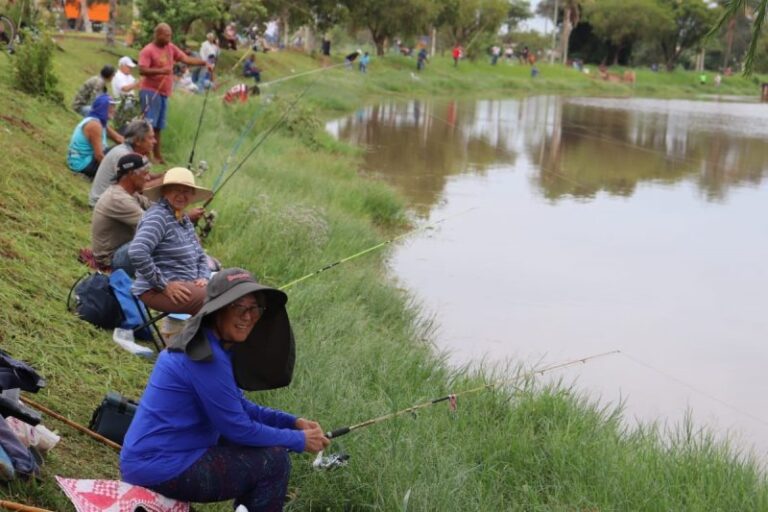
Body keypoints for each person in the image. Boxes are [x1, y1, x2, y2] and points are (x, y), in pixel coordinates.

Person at [120, 267, 330, 510]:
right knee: (274, 463)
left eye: (254, 308)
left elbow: (239, 406)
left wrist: (293, 422)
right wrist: (298, 440)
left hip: (156, 459)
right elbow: (238, 428)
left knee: (266, 450)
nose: (248, 316)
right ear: (217, 310)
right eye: (239, 307)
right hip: (159, 467)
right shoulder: (205, 358)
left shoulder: (207, 344)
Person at [129, 167, 212, 315]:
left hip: (189, 283)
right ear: (165, 191)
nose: (181, 195)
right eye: (176, 190)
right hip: (155, 290)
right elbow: (137, 251)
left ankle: (183, 333)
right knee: (219, 299)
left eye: (186, 191)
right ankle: (193, 337)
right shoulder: (158, 217)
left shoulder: (183, 217)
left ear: (192, 195)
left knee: (234, 284)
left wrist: (203, 276)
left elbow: (199, 254)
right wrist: (164, 285)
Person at [139, 23, 211, 163]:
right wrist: (161, 71)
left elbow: (186, 59)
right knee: (148, 126)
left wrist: (204, 63)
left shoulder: (170, 47)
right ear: (158, 34)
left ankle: (158, 156)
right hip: (150, 91)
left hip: (164, 93)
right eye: (166, 35)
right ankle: (145, 155)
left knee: (159, 127)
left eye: (170, 35)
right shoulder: (148, 50)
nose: (169, 38)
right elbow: (142, 70)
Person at [91, 153, 152, 276]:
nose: (148, 178)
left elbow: (156, 209)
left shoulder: (131, 194)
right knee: (152, 239)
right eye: (145, 173)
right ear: (131, 174)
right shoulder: (118, 199)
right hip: (112, 260)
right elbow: (152, 225)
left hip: (121, 252)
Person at [89, 118, 163, 207]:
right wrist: (163, 180)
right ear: (138, 141)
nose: (155, 141)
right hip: (102, 203)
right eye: (150, 138)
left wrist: (161, 175)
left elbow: (141, 176)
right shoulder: (124, 156)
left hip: (112, 199)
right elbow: (139, 187)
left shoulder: (130, 152)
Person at [67, 94, 123, 179]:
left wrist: (133, 147)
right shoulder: (95, 125)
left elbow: (118, 139)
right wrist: (115, 174)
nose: (114, 110)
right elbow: (99, 156)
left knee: (123, 149)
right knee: (118, 151)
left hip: (84, 161)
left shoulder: (100, 122)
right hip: (82, 165)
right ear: (103, 107)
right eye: (112, 107)